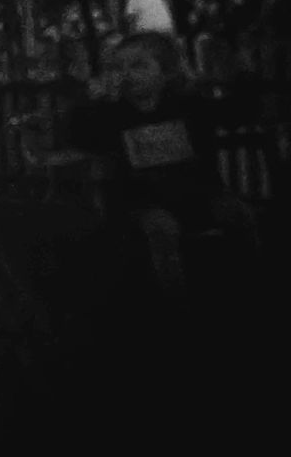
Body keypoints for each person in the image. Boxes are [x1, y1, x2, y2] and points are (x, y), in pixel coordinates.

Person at [66, 32, 261, 311]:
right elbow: (82, 135)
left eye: (139, 66)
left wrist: (243, 72)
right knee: (162, 228)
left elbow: (238, 112)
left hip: (197, 194)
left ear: (166, 72)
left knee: (240, 215)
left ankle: (252, 286)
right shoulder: (113, 113)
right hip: (141, 201)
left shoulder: (188, 106)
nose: (127, 75)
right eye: (119, 68)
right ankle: (175, 303)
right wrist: (93, 99)